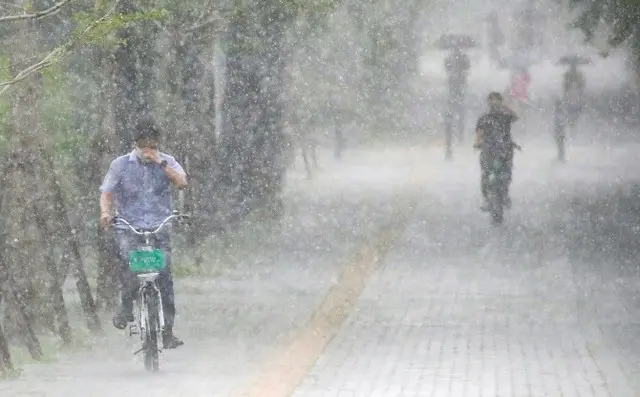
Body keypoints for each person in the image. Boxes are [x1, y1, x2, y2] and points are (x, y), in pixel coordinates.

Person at [99, 117, 188, 349]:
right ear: (135, 143)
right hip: (130, 227)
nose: (148, 147)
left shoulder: (167, 162)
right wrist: (106, 213)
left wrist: (161, 164)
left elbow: (182, 183)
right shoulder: (120, 165)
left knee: (165, 276)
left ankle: (167, 331)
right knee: (130, 266)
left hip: (159, 226)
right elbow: (106, 193)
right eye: (143, 143)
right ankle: (126, 308)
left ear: (158, 143)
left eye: (153, 143)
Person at [474, 92, 519, 210]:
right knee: (486, 173)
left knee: (507, 172)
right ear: (488, 102)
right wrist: (479, 142)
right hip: (488, 149)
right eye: (492, 100)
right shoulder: (484, 118)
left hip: (505, 148)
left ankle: (505, 194)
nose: (494, 102)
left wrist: (505, 108)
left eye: (497, 100)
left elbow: (515, 117)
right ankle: (486, 198)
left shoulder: (505, 115)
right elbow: (479, 132)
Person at [444, 47, 471, 142]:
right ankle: (457, 135)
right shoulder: (454, 59)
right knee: (457, 112)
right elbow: (446, 67)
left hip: (457, 88)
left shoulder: (459, 59)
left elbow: (467, 67)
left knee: (457, 112)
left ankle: (459, 135)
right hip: (456, 88)